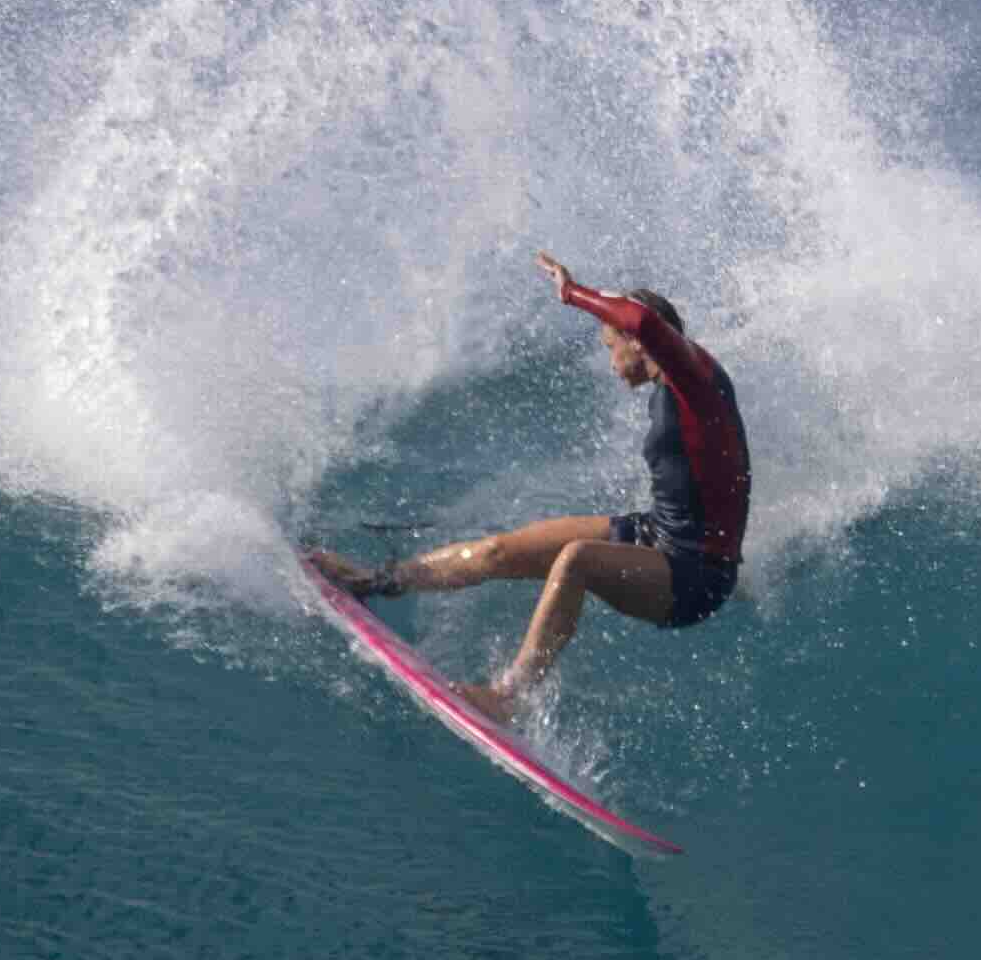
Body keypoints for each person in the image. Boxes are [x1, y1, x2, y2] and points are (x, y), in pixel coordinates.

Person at [313, 255, 746, 710]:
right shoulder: (676, 383)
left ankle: (509, 698)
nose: (610, 360)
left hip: (696, 575)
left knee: (575, 560)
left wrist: (571, 293)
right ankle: (373, 581)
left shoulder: (693, 378)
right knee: (499, 550)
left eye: (609, 346)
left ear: (637, 343)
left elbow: (638, 317)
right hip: (658, 533)